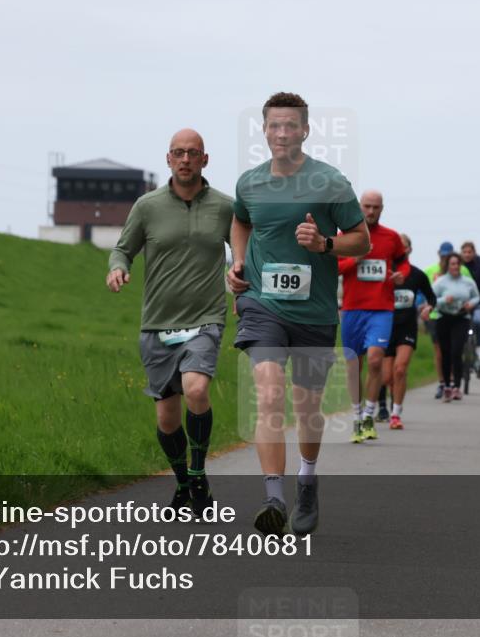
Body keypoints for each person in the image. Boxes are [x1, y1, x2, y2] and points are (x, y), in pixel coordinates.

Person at [227, 92, 370, 536]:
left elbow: (361, 239)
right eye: (274, 125)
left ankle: (307, 481)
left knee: (308, 410)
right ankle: (273, 498)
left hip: (314, 311)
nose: (282, 133)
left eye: (291, 125)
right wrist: (238, 261)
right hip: (262, 305)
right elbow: (241, 221)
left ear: (305, 131)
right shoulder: (250, 183)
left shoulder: (330, 182)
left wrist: (325, 243)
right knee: (269, 393)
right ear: (264, 131)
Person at [107, 129, 233, 517]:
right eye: (178, 153)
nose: (185, 159)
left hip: (206, 318)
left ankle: (197, 473)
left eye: (193, 153)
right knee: (166, 418)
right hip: (158, 323)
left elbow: (246, 250)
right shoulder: (147, 206)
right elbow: (123, 249)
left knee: (196, 388)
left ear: (205, 160)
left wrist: (244, 279)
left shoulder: (225, 207)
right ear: (168, 159)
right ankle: (183, 484)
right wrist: (117, 268)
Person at [338, 190, 410, 443]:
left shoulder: (391, 237)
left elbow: (403, 262)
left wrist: (401, 274)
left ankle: (369, 415)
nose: (370, 211)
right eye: (367, 206)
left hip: (381, 308)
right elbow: (333, 266)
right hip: (352, 308)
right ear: (359, 207)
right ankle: (357, 416)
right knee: (353, 366)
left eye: (375, 207)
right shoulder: (345, 237)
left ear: (382, 209)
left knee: (376, 359)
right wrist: (355, 259)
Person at [382, 233, 434, 429]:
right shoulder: (384, 272)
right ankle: (391, 402)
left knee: (400, 369)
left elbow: (431, 297)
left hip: (407, 327)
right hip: (385, 327)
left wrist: (428, 308)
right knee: (387, 377)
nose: (400, 249)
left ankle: (396, 414)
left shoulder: (417, 275)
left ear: (409, 250)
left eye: (404, 246)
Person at [424, 243, 472, 399]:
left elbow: (471, 290)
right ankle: (442, 382)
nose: (445, 257)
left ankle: (453, 382)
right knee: (440, 351)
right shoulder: (430, 270)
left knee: (455, 350)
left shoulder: (464, 271)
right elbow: (424, 292)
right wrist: (422, 306)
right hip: (436, 316)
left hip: (459, 315)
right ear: (439, 254)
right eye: (443, 255)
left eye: (448, 255)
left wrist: (471, 304)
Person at [432, 253, 480, 403]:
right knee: (445, 352)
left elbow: (477, 296)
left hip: (461, 318)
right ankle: (447, 385)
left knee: (456, 351)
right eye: (452, 264)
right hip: (444, 318)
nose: (455, 267)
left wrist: (471, 304)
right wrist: (443, 300)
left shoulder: (468, 282)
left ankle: (457, 386)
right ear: (447, 266)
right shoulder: (440, 282)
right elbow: (431, 299)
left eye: (457, 264)